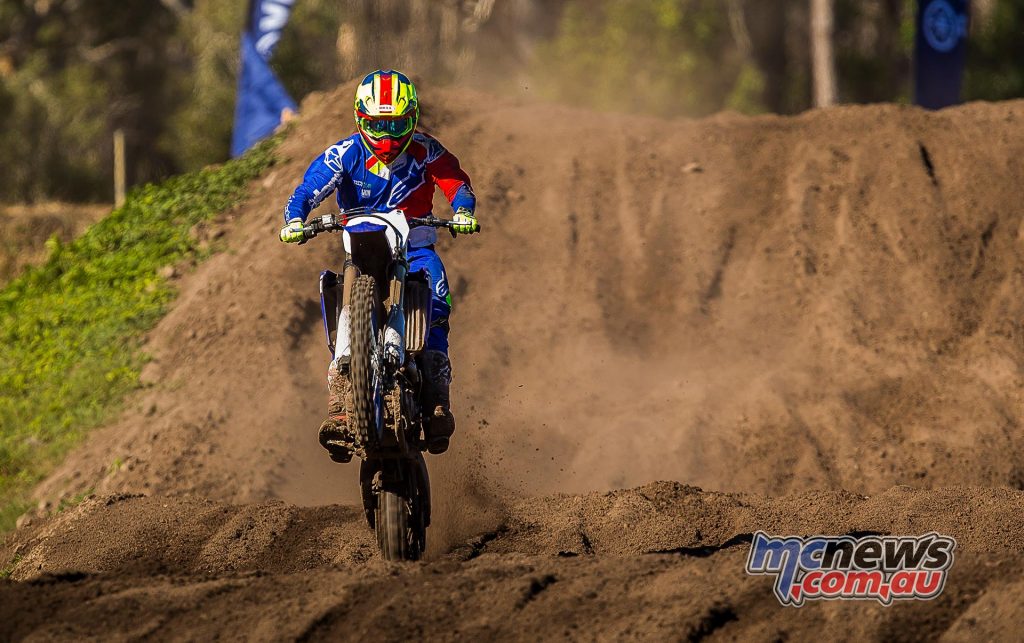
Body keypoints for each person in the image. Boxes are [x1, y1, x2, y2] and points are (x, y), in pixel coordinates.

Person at [279, 69, 479, 462]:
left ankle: (437, 397)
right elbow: (307, 190)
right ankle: (340, 400)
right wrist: (295, 219)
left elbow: (457, 184)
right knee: (342, 297)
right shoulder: (344, 154)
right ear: (360, 119)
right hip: (363, 248)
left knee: (437, 302)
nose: (387, 137)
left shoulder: (427, 152)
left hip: (416, 248)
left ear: (413, 119)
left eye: (396, 125)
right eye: (378, 125)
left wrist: (463, 211)